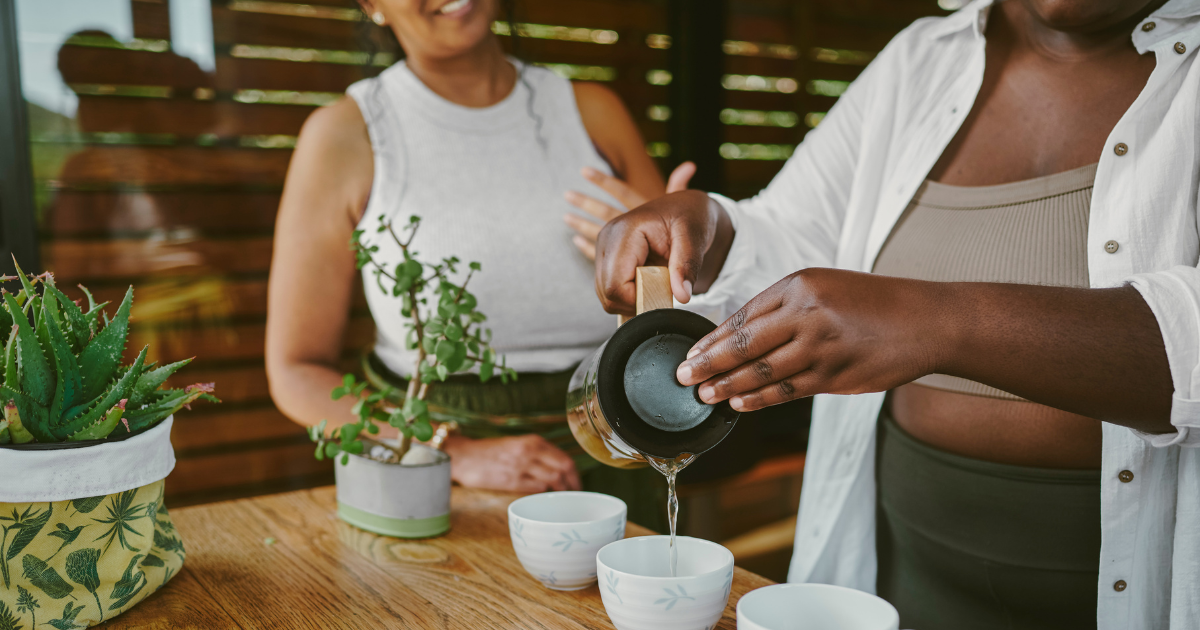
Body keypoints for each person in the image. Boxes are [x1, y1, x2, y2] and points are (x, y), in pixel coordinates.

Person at [593, 0, 1200, 627]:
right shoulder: (921, 60)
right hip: (902, 575)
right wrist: (711, 225)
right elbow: (792, 229)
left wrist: (937, 322)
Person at [265, 0, 688, 529]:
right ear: (372, 6)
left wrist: (669, 254)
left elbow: (673, 306)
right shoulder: (345, 135)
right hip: (437, 488)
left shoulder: (593, 112)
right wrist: (456, 453)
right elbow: (295, 370)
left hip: (618, 462)